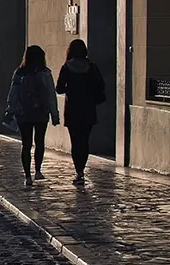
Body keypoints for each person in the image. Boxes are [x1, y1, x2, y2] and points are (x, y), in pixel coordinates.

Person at [55, 38, 106, 186]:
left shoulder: (67, 67)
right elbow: (101, 85)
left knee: (75, 141)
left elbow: (59, 88)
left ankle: (79, 171)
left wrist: (71, 89)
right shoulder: (92, 66)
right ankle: (82, 169)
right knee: (84, 141)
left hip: (73, 109)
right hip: (88, 109)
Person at [6, 45, 59, 186]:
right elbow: (51, 95)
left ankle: (27, 176)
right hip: (41, 112)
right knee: (39, 142)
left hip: (23, 113)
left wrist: (12, 109)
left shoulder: (19, 73)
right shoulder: (45, 73)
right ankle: (38, 171)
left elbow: (13, 93)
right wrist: (54, 113)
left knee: (26, 144)